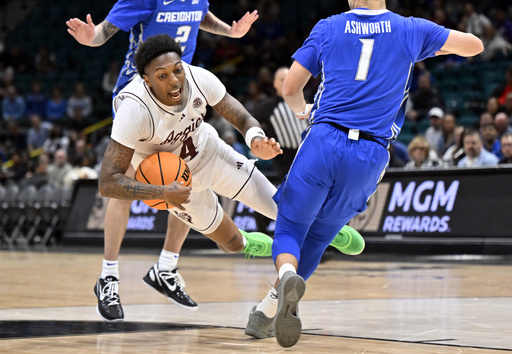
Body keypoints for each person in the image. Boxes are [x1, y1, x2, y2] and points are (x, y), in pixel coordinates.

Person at [243, 0, 483, 348]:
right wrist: (431, 43)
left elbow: (290, 88)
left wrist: (303, 111)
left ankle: (285, 277)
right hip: (370, 154)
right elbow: (474, 45)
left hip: (325, 139)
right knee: (320, 237)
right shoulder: (410, 29)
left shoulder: (329, 26)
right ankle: (266, 311)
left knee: (291, 227)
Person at [98, 34, 365, 324]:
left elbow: (240, 116)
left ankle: (325, 231)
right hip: (175, 186)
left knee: (285, 207)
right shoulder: (134, 110)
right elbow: (108, 182)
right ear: (147, 81)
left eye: (177, 70)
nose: (174, 81)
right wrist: (161, 191)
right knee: (232, 243)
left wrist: (255, 139)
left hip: (211, 155)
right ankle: (253, 243)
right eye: (162, 76)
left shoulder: (198, 78)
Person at [66, 0, 260, 321]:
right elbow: (103, 32)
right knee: (123, 180)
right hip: (140, 97)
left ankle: (166, 268)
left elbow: (199, 16)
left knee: (183, 176)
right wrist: (94, 38)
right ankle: (108, 277)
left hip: (179, 96)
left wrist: (229, 30)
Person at [251, 67, 309, 181]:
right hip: (285, 159)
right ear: (275, 83)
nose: (286, 82)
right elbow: (249, 119)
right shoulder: (268, 106)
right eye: (282, 79)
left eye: (289, 79)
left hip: (308, 154)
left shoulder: (304, 101)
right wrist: (260, 137)